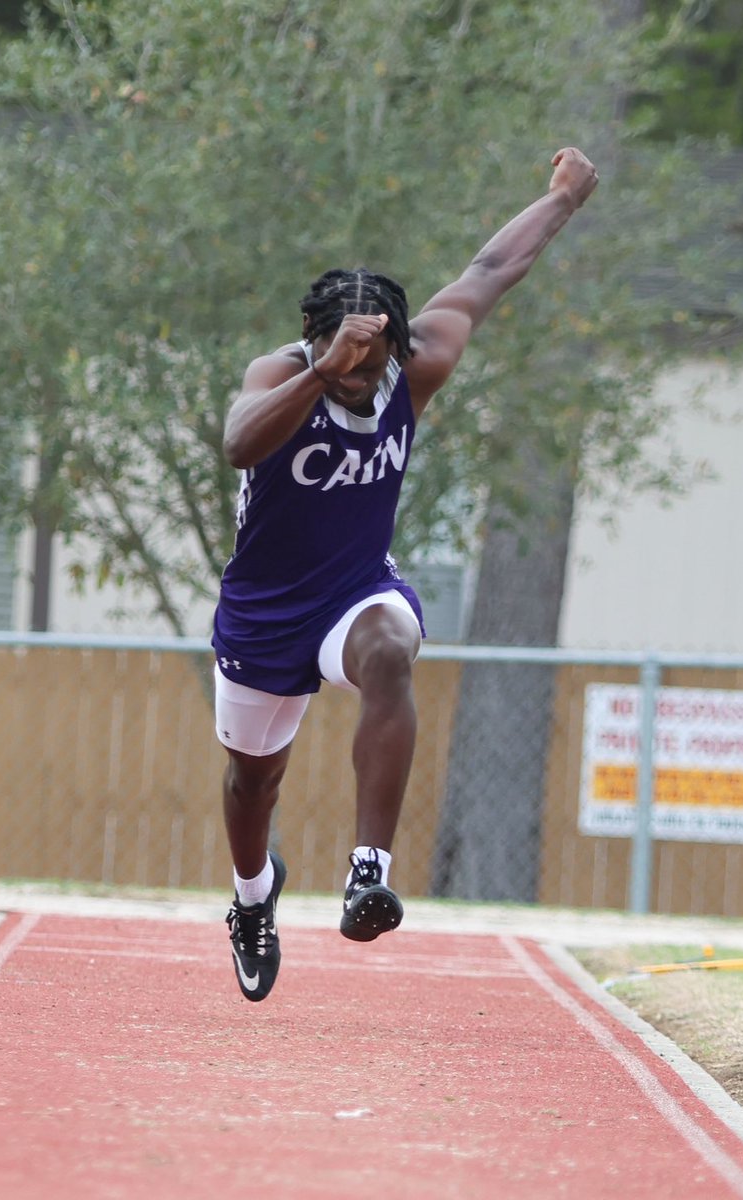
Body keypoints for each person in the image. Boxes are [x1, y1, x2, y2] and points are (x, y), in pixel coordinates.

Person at [214, 146, 599, 1001]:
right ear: (316, 342)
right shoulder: (282, 373)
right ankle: (251, 898)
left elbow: (489, 269)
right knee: (252, 782)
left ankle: (367, 873)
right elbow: (239, 443)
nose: (358, 385)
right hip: (265, 607)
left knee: (392, 649)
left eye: (368, 370)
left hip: (354, 588)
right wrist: (321, 371)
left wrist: (561, 201)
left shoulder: (412, 363)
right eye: (342, 366)